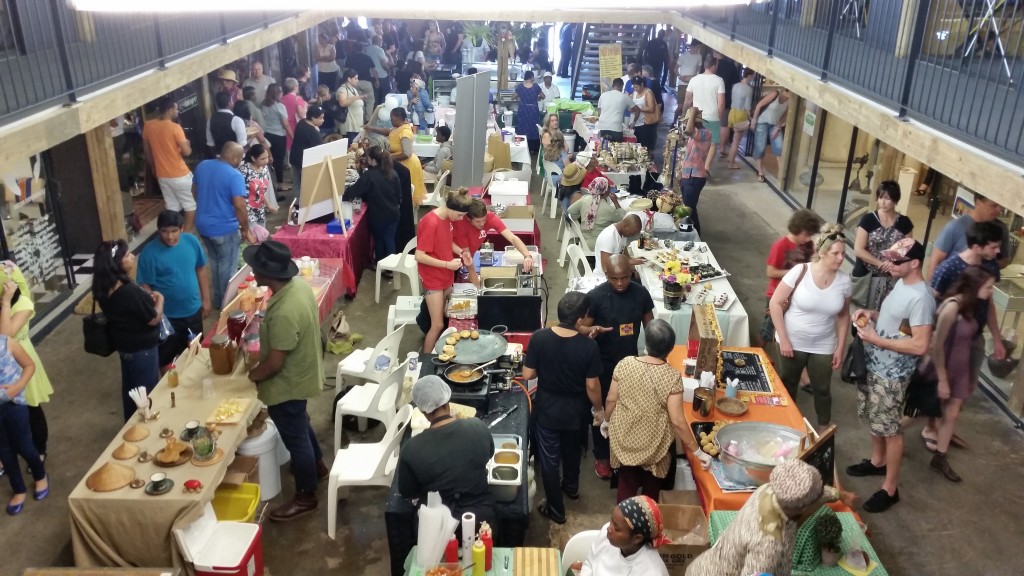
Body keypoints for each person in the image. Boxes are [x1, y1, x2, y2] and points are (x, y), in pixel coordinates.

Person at [848, 238, 935, 513]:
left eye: (896, 261)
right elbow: (899, 324)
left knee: (890, 429)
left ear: (914, 263)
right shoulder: (901, 282)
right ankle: (877, 462)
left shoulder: (921, 298)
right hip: (875, 364)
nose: (889, 264)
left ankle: (890, 487)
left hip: (892, 373)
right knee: (874, 418)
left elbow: (920, 344)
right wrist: (871, 315)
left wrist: (877, 340)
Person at [245, 241, 327, 522]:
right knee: (300, 423)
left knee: (295, 438)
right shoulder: (298, 287)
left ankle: (306, 495)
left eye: (255, 267)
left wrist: (253, 375)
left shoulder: (283, 312)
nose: (252, 270)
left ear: (265, 273)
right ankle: (316, 466)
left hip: (287, 383)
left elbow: (274, 364)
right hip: (303, 373)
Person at [921, 221, 1006, 453]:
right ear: (978, 246)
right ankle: (930, 426)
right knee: (938, 386)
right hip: (948, 338)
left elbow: (988, 306)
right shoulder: (949, 267)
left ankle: (945, 426)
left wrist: (996, 339)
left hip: (974, 337)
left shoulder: (990, 267)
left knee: (963, 388)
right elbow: (931, 300)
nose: (997, 252)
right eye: (993, 246)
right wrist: (929, 335)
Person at [606, 320, 711, 503]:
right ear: (670, 349)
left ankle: (623, 520)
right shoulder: (671, 376)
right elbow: (678, 421)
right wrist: (698, 452)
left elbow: (611, 399)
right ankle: (648, 525)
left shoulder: (625, 364)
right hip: (655, 444)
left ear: (646, 343)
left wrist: (607, 421)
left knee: (626, 485)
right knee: (651, 494)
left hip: (625, 438)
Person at [522, 291, 603, 524]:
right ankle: (571, 486)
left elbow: (528, 374)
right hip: (576, 410)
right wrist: (598, 410)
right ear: (579, 320)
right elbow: (592, 385)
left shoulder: (540, 338)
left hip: (547, 408)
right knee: (572, 450)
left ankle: (555, 509)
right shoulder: (588, 348)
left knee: (549, 459)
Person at [685, 460, 840, 576]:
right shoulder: (770, 548)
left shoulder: (768, 490)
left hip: (706, 565)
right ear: (802, 507)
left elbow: (809, 496)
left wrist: (835, 494)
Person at [768, 225, 851, 430]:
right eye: (836, 253)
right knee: (788, 384)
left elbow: (843, 315)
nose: (841, 258)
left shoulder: (844, 281)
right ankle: (786, 424)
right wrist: (784, 339)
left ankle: (823, 428)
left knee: (822, 388)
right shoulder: (800, 271)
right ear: (822, 253)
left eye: (843, 253)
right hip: (792, 340)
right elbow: (775, 303)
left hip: (823, 344)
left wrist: (840, 347)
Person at [579, 255, 655, 479]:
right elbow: (581, 327)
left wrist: (652, 354)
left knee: (626, 411)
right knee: (601, 410)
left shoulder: (640, 293)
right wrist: (592, 331)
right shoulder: (596, 297)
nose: (620, 283)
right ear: (606, 276)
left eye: (624, 278)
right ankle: (602, 456)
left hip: (629, 362)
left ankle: (621, 452)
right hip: (601, 363)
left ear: (631, 274)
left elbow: (649, 324)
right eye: (614, 279)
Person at [922, 266, 995, 482]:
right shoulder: (952, 307)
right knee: (918, 412)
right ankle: (888, 434)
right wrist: (943, 379)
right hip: (942, 369)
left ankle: (940, 457)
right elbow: (937, 345)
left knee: (951, 415)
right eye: (989, 287)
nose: (991, 291)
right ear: (975, 286)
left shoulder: (972, 306)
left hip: (960, 369)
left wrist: (969, 376)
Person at [399, 374, 494, 526]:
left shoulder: (411, 450)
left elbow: (408, 492)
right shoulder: (478, 428)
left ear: (423, 410)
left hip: (436, 527)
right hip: (480, 521)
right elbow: (488, 455)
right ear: (448, 399)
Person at [93, 239, 164, 421]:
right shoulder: (128, 292)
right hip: (143, 351)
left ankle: (131, 428)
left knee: (132, 393)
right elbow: (153, 319)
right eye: (126, 255)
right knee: (147, 396)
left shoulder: (103, 288)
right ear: (116, 263)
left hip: (125, 348)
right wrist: (160, 299)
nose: (132, 257)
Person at [137, 211, 210, 370]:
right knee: (167, 361)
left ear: (182, 228)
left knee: (196, 353)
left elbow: (201, 269)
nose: (169, 236)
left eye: (174, 231)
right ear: (158, 230)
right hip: (167, 318)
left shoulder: (191, 242)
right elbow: (145, 286)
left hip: (192, 311)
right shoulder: (149, 253)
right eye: (164, 231)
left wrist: (206, 300)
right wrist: (156, 313)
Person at [193, 142, 255, 308]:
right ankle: (226, 304)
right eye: (241, 158)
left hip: (203, 225)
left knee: (215, 262)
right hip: (224, 228)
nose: (241, 161)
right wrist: (245, 229)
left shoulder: (203, 166)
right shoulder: (234, 176)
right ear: (235, 157)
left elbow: (194, 191)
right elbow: (239, 206)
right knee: (228, 267)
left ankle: (218, 299)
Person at [0, 263, 52, 461]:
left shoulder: (23, 304)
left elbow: (4, 338)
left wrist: (5, 303)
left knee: (30, 406)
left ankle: (39, 449)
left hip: (21, 359)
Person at [416, 191, 473, 354]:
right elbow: (419, 256)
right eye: (460, 215)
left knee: (445, 317)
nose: (461, 219)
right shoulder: (431, 222)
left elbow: (447, 242)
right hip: (433, 278)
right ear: (450, 207)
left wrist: (462, 253)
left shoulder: (447, 218)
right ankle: (425, 362)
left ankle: (439, 351)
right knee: (437, 325)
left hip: (445, 275)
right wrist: (447, 265)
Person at [0, 331, 46, 516]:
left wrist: (18, 386)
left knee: (25, 446)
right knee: (4, 451)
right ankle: (18, 489)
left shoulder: (7, 343)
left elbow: (29, 365)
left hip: (14, 405)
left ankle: (40, 475)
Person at [852, 181, 915, 310]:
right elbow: (859, 249)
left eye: (887, 198)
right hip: (868, 276)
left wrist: (892, 262)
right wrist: (880, 263)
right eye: (880, 198)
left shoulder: (904, 222)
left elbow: (908, 249)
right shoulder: (868, 219)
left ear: (895, 200)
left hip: (893, 276)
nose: (883, 202)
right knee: (863, 313)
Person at [762, 209, 820, 347]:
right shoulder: (781, 245)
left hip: (798, 294)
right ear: (797, 229)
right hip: (777, 294)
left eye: (810, 235)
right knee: (768, 329)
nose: (808, 239)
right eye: (806, 234)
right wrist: (795, 272)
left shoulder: (808, 245)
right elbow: (771, 272)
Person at [571, 496, 671, 576]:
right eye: (611, 521)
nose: (609, 528)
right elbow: (590, 562)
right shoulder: (607, 535)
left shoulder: (652, 572)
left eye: (617, 528)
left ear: (637, 538)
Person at [142, 97, 196, 231]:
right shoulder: (175, 128)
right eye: (176, 109)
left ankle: (172, 232)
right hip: (179, 174)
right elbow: (187, 152)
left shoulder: (148, 126)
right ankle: (186, 235)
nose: (177, 111)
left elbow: (147, 151)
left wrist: (154, 168)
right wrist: (187, 145)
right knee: (191, 206)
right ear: (170, 109)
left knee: (172, 207)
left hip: (162, 174)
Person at [926, 193, 1009, 278]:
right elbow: (934, 262)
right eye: (994, 205)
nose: (999, 210)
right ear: (978, 203)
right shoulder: (955, 227)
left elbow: (1004, 259)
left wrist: (985, 266)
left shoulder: (1001, 229)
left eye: (1001, 206)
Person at [344, 145, 402, 268]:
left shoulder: (369, 175)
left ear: (372, 160)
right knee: (390, 239)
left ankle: (380, 265)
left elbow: (353, 192)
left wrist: (344, 195)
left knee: (380, 240)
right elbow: (399, 196)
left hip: (378, 216)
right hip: (394, 214)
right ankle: (392, 268)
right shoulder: (393, 173)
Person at [364, 107, 426, 206]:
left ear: (398, 118)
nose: (391, 120)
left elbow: (406, 153)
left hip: (408, 164)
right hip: (401, 162)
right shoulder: (398, 128)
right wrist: (371, 128)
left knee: (407, 194)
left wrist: (386, 157)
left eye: (392, 118)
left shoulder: (405, 132)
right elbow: (388, 132)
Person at [684, 56, 725, 171]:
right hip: (712, 116)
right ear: (713, 66)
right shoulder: (719, 80)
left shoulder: (694, 79)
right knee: (713, 143)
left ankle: (693, 165)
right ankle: (705, 169)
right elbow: (721, 102)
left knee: (695, 140)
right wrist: (719, 117)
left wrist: (685, 116)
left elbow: (687, 100)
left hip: (697, 117)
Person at [677, 107, 712, 235]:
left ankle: (695, 235)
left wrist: (691, 114)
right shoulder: (695, 135)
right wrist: (681, 174)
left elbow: (688, 130)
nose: (685, 123)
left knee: (689, 210)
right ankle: (692, 233)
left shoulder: (705, 133)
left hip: (695, 177)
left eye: (687, 121)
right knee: (689, 207)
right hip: (688, 176)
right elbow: (687, 157)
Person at [569, 177, 626, 249]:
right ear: (605, 191)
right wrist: (616, 202)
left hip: (583, 240)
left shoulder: (585, 199)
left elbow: (570, 211)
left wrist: (582, 218)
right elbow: (623, 219)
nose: (610, 188)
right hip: (599, 244)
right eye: (608, 187)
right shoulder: (609, 209)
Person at [752, 87, 790, 183]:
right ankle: (760, 172)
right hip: (762, 122)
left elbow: (785, 114)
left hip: (775, 125)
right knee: (760, 148)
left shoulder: (790, 101)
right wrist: (754, 121)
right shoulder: (775, 94)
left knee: (780, 148)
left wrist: (778, 127)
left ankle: (781, 175)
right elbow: (759, 106)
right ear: (785, 91)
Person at [260, 83, 292, 191]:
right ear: (277, 93)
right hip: (278, 136)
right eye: (281, 92)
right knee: (278, 161)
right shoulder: (280, 106)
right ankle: (280, 184)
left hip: (266, 135)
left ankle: (270, 185)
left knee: (268, 160)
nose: (282, 94)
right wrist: (293, 137)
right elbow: (286, 125)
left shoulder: (263, 104)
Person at [238, 144, 278, 230]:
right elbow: (238, 194)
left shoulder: (264, 169)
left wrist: (269, 206)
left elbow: (261, 192)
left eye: (267, 157)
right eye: (262, 159)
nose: (266, 161)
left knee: (261, 236)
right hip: (247, 211)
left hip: (260, 210)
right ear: (253, 158)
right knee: (255, 236)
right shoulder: (244, 171)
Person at [289, 105, 325, 194]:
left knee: (297, 183)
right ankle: (304, 205)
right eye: (320, 118)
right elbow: (321, 150)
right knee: (306, 186)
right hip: (304, 162)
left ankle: (296, 204)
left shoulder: (301, 122)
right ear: (312, 118)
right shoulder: (313, 132)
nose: (323, 120)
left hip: (294, 157)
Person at [726, 68, 754, 170]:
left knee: (734, 139)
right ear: (750, 76)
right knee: (736, 141)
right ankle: (731, 163)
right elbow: (747, 106)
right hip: (741, 114)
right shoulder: (748, 89)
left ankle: (730, 158)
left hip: (732, 112)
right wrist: (751, 117)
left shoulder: (736, 86)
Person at [206, 91, 247, 157]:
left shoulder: (210, 120)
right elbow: (242, 145)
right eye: (232, 101)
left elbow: (211, 145)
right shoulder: (237, 120)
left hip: (219, 158)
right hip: (235, 159)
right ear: (229, 103)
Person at [345, 44, 377, 124]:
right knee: (370, 101)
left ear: (354, 49)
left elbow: (345, 70)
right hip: (367, 82)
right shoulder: (367, 57)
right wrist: (377, 80)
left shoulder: (350, 57)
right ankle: (369, 120)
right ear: (362, 49)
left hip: (354, 82)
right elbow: (374, 70)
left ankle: (361, 121)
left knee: (359, 101)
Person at [673, 42, 703, 125]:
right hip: (682, 84)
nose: (698, 50)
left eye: (699, 48)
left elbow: (699, 70)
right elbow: (675, 69)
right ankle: (674, 122)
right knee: (680, 106)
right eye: (697, 47)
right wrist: (679, 76)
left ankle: (686, 124)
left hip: (693, 84)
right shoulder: (683, 56)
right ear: (692, 47)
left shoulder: (699, 57)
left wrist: (695, 77)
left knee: (691, 106)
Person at [515, 71, 544, 155]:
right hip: (533, 111)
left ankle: (521, 147)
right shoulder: (535, 87)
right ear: (531, 77)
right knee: (533, 128)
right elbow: (543, 96)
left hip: (523, 110)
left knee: (522, 127)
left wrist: (521, 98)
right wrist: (536, 97)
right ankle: (533, 149)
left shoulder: (520, 87)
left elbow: (513, 96)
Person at [336, 69, 368, 144]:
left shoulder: (353, 89)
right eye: (355, 78)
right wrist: (356, 97)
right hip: (349, 126)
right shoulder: (343, 89)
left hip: (356, 125)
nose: (358, 80)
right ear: (349, 79)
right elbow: (342, 103)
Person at [629, 75, 658, 154]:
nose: (635, 89)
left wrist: (638, 109)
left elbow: (651, 108)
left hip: (644, 123)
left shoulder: (648, 93)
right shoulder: (634, 93)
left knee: (643, 145)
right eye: (634, 87)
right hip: (635, 122)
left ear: (642, 85)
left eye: (637, 87)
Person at [366, 35, 392, 102]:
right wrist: (388, 70)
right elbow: (383, 64)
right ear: (378, 41)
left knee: (375, 95)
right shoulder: (380, 50)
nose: (382, 42)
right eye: (381, 40)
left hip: (371, 75)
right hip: (382, 75)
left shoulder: (367, 49)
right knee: (385, 95)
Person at [280, 78, 303, 151]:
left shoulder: (281, 99)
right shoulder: (298, 99)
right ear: (295, 87)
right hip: (295, 127)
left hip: (283, 127)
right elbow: (301, 114)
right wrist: (305, 105)